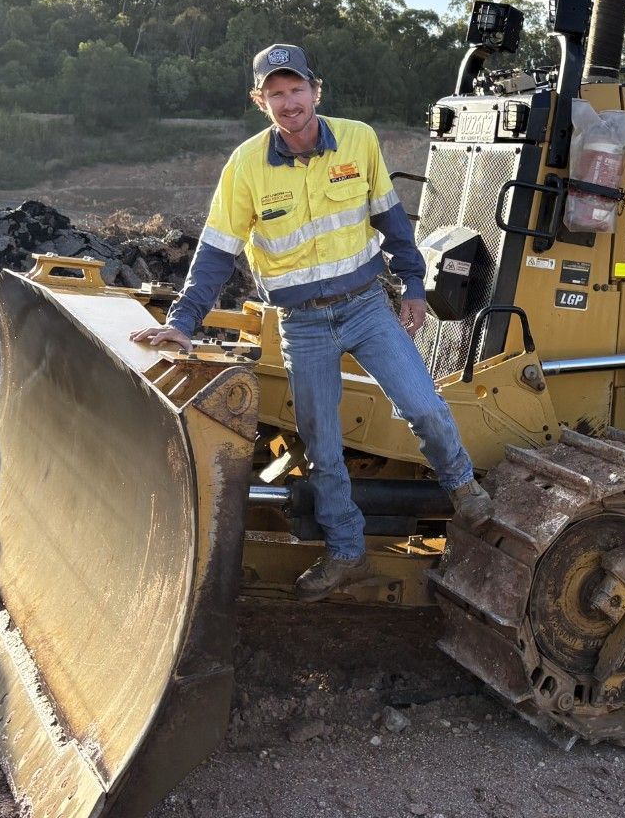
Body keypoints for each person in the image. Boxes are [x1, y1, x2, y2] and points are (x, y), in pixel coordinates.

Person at [130, 42, 493, 600]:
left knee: (423, 405)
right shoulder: (246, 166)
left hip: (368, 306)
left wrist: (414, 285)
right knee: (322, 446)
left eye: (296, 89)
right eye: (275, 93)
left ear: (316, 91)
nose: (288, 102)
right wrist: (183, 322)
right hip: (302, 325)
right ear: (260, 101)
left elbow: (393, 222)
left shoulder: (359, 140)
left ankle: (464, 489)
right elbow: (216, 251)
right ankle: (346, 553)